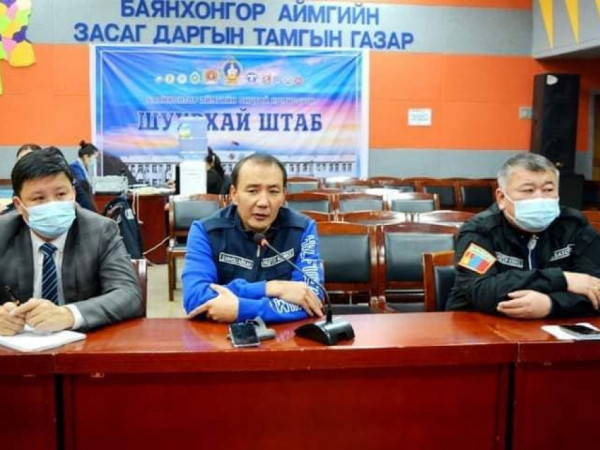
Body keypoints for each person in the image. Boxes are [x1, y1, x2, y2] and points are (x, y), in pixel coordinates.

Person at [0, 150, 143, 335]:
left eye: (61, 194)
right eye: (39, 198)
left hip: (85, 342)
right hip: (17, 344)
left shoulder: (100, 230)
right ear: (19, 205)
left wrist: (69, 315)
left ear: (74, 194)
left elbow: (129, 294)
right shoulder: (3, 232)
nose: (53, 204)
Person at [447, 153, 600, 319]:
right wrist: (562, 279)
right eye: (528, 190)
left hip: (555, 325)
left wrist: (551, 304)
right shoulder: (480, 231)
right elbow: (481, 291)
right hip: (479, 324)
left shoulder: (575, 226)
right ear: (501, 198)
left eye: (548, 190)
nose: (540, 198)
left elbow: (595, 288)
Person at [183, 153, 323, 323]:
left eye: (273, 192)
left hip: (283, 334)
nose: (263, 202)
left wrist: (241, 309)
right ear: (234, 194)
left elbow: (311, 299)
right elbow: (195, 298)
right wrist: (271, 288)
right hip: (219, 333)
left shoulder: (303, 229)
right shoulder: (206, 231)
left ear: (283, 196)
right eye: (252, 191)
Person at [1, 143, 42, 215]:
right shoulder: (20, 181)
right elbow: (17, 206)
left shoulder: (46, 182)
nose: (23, 164)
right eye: (20, 161)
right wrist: (5, 210)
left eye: (27, 159)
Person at [69, 140, 98, 212]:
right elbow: (82, 186)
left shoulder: (84, 168)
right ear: (86, 156)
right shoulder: (75, 167)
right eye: (94, 158)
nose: (95, 160)